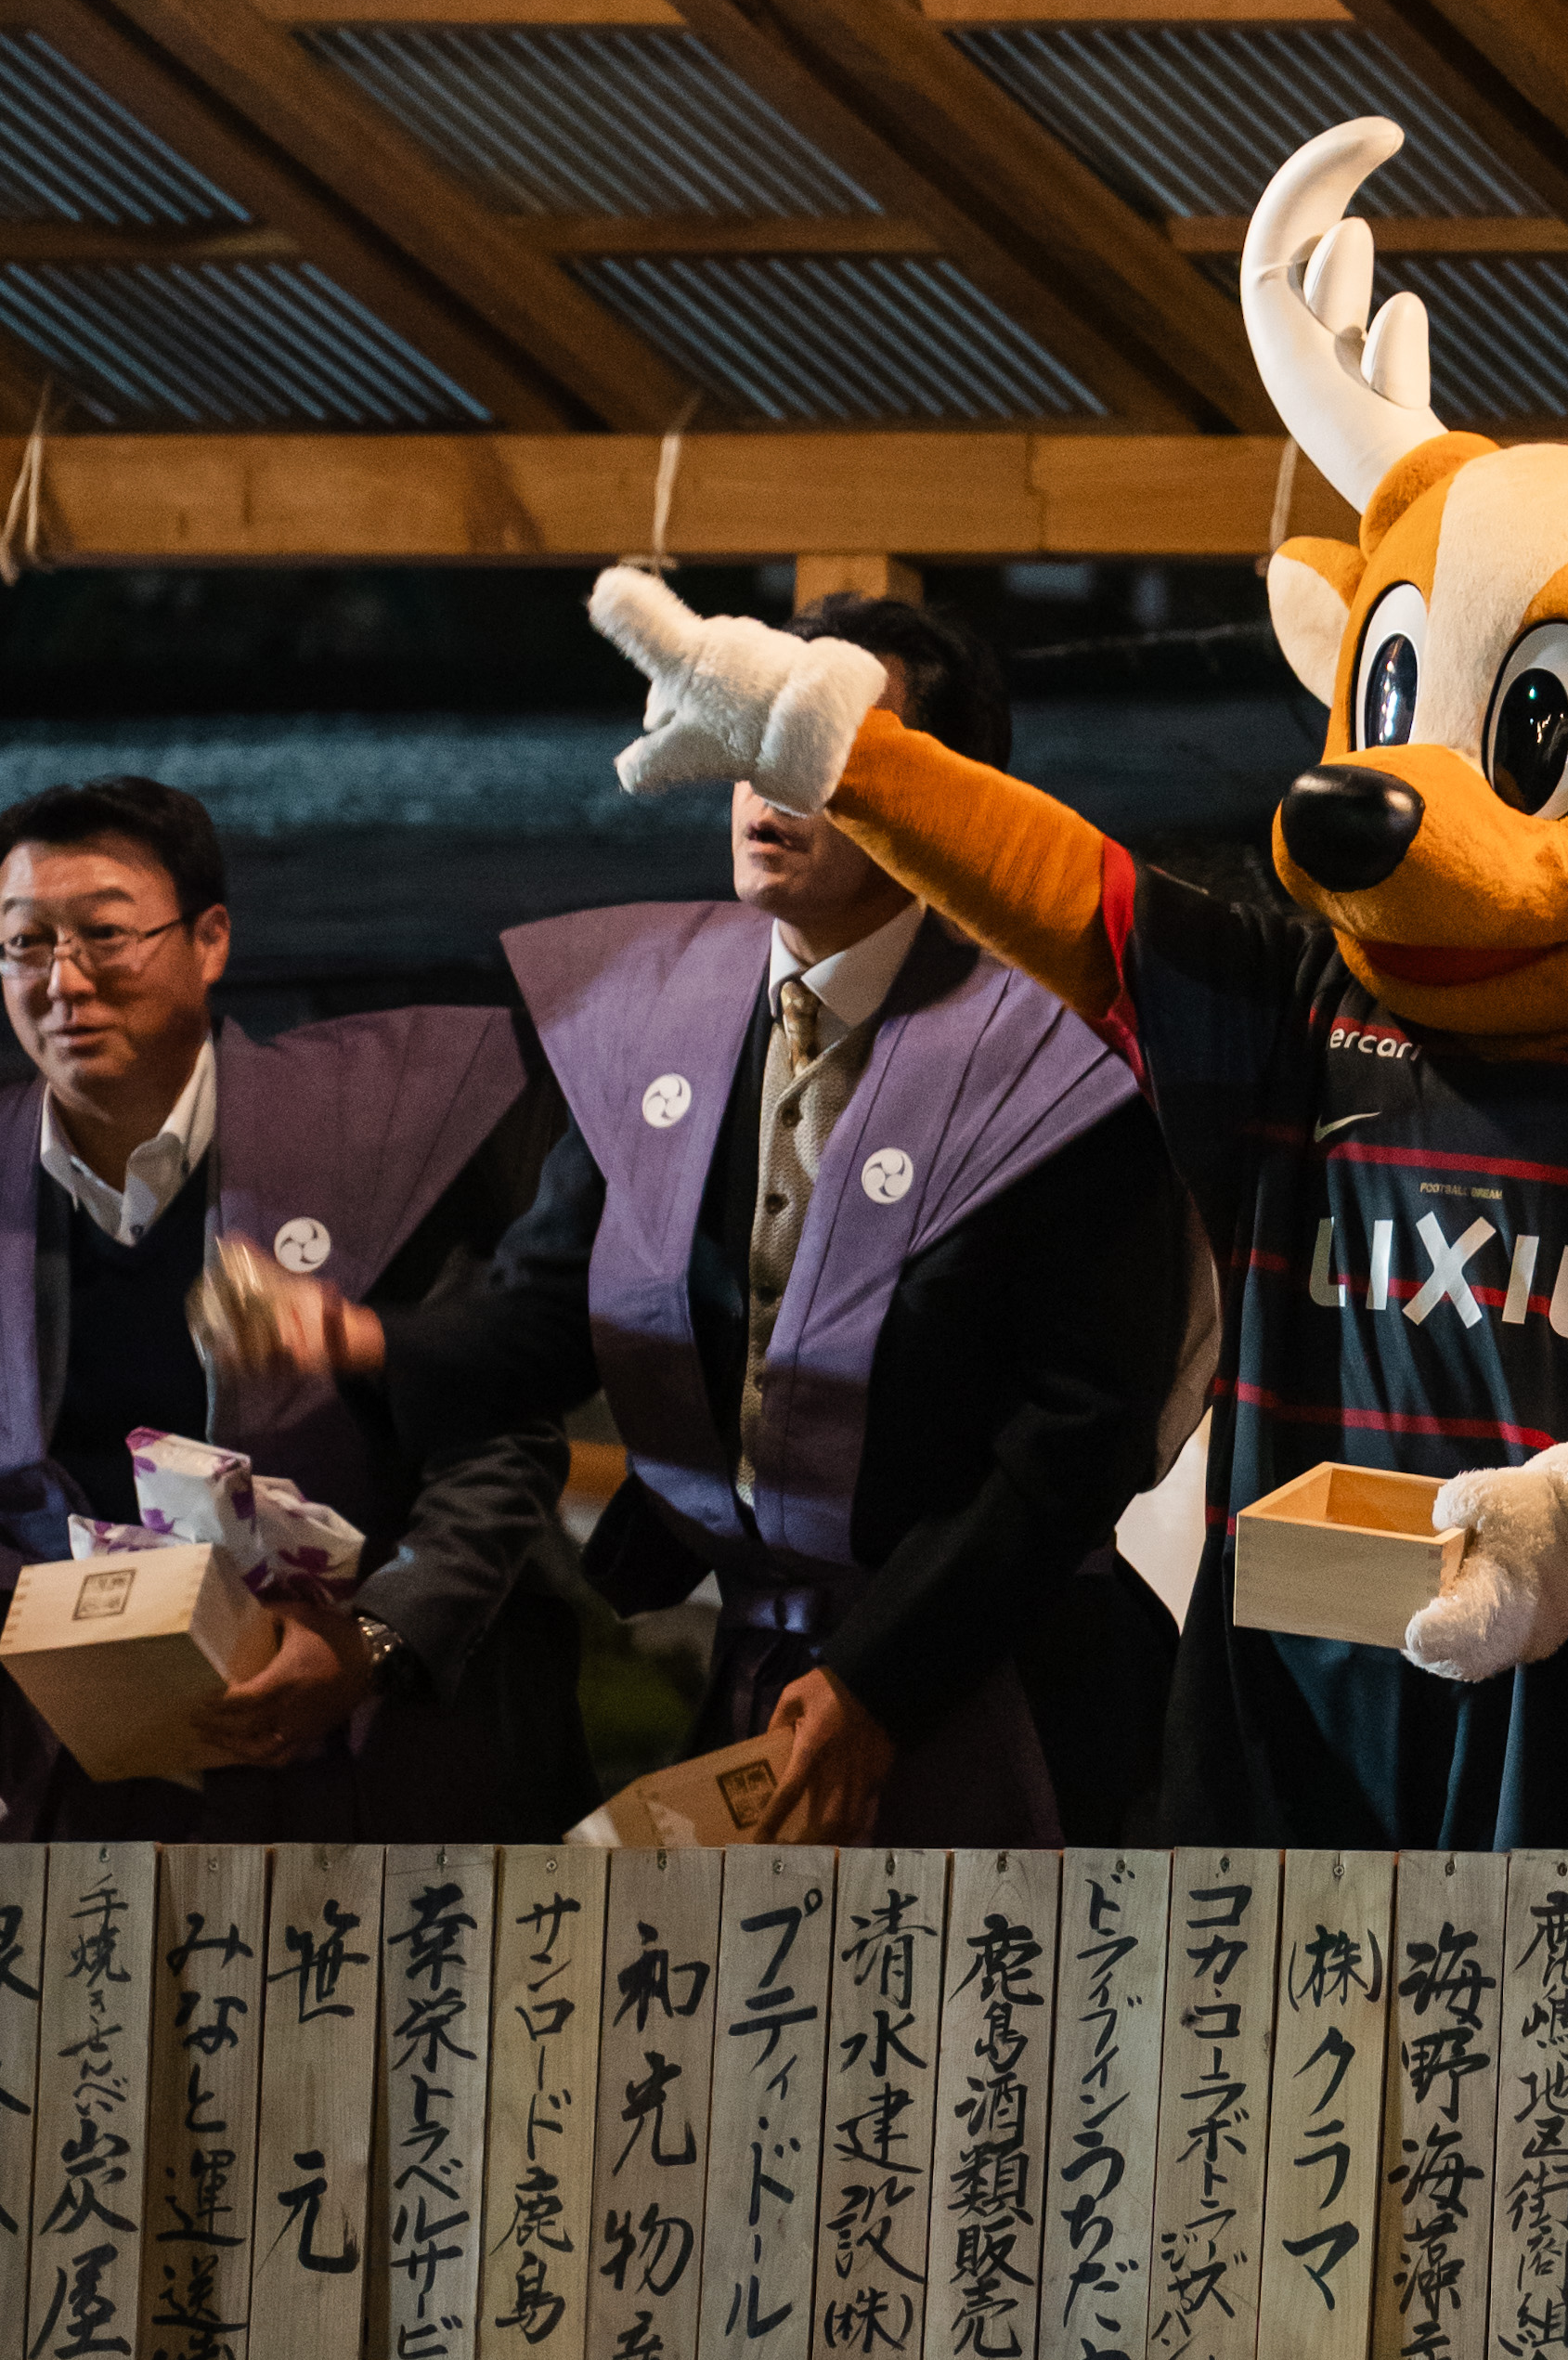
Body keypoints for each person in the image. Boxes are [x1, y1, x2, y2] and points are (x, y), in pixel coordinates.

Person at [563, 124, 1568, 1857]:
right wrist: (831, 739)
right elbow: (1071, 891)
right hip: (1285, 1700)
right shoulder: (1296, 1017)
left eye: (1533, 735)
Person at [223, 600, 1196, 1848]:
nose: (766, 787)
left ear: (940, 797)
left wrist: (880, 1683)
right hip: (765, 1665)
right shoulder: (666, 1015)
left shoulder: (1058, 1047)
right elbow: (549, 1314)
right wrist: (356, 1338)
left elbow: (1081, 1435)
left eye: (816, 747)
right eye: (749, 740)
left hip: (1005, 1680)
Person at [0, 774, 584, 1839]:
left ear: (210, 940)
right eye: (26, 944)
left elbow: (498, 1437)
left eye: (105, 936)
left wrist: (373, 1642)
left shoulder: (373, 1135)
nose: (64, 981)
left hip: (369, 1753)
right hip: (86, 1770)